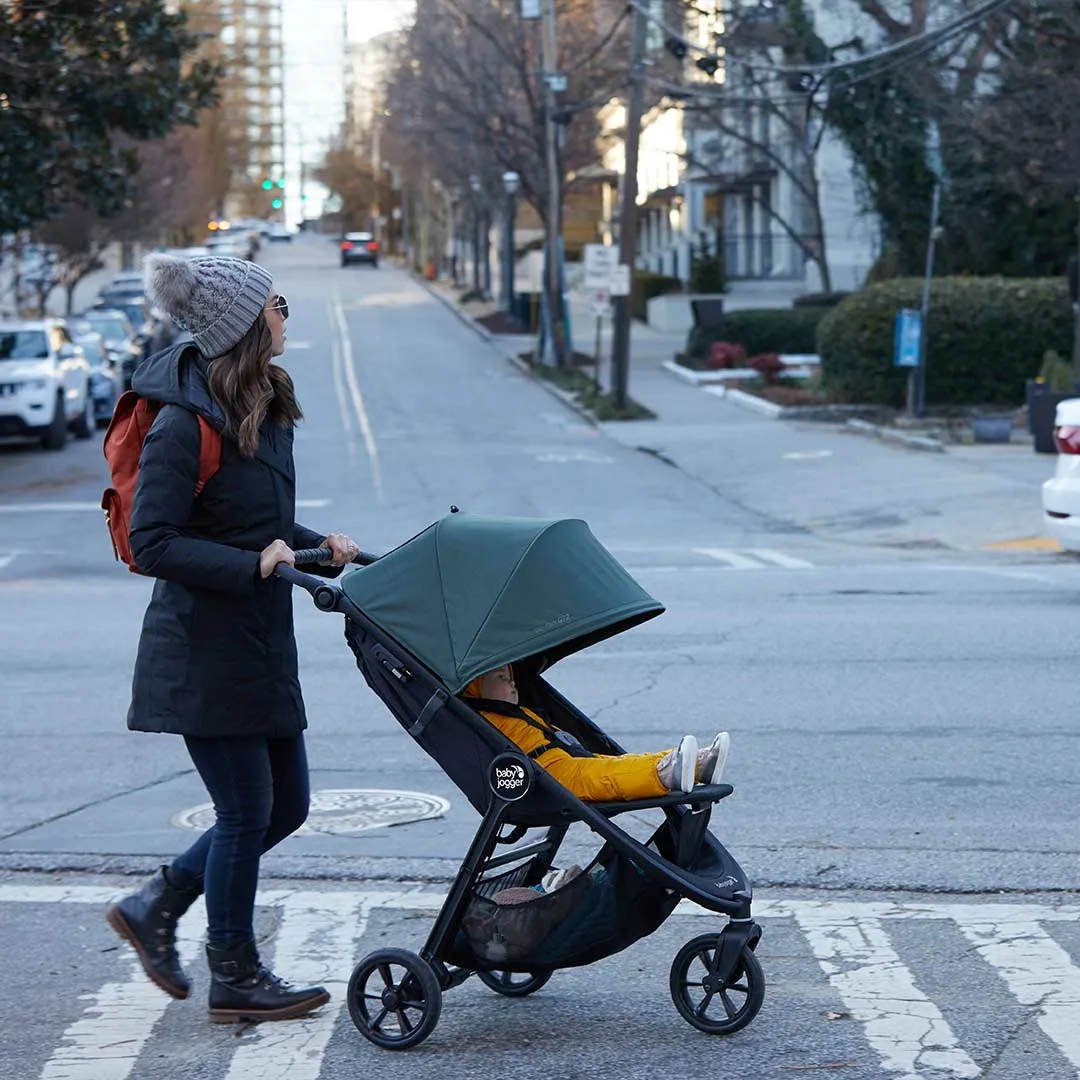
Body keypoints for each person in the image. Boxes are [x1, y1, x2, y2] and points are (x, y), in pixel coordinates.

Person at [105, 252, 361, 1024]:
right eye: (278, 302)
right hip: (202, 650)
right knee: (249, 812)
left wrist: (319, 545)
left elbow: (261, 525)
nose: (286, 313)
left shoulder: (261, 402)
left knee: (286, 807)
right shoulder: (184, 422)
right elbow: (153, 541)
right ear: (248, 322)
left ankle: (158, 900)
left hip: (256, 641)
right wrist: (256, 561)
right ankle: (235, 973)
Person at [461, 665, 730, 802]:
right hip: (548, 778)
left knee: (614, 764)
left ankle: (695, 764)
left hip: (562, 760)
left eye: (510, 678)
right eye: (499, 678)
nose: (511, 685)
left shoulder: (510, 711)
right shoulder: (484, 719)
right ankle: (663, 773)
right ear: (475, 688)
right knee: (608, 778)